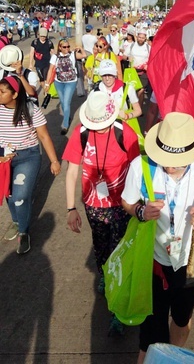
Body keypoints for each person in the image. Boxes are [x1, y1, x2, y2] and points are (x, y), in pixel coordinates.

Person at [121, 112, 194, 362]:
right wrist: (141, 211)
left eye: (179, 161)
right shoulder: (140, 166)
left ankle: (170, 358)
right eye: (165, 159)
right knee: (150, 332)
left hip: (193, 261)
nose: (170, 165)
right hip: (154, 260)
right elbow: (127, 202)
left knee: (182, 319)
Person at [63, 91, 140, 296]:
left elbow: (137, 170)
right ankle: (105, 275)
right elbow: (71, 172)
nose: (101, 129)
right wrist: (71, 208)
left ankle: (119, 290)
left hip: (122, 204)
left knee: (119, 247)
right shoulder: (81, 134)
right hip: (93, 204)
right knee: (100, 244)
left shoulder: (124, 133)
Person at [0, 76, 61, 254]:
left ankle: (23, 231)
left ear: (15, 94)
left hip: (27, 156)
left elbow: (43, 136)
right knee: (8, 193)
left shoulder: (30, 109)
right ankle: (17, 220)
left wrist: (54, 161)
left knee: (21, 196)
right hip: (4, 159)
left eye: (2, 92)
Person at [44, 39, 87, 135]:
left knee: (66, 103)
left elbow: (84, 55)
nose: (67, 48)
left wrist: (80, 48)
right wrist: (47, 84)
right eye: (64, 47)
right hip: (58, 82)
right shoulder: (55, 57)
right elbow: (51, 70)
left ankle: (65, 125)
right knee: (63, 102)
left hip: (71, 82)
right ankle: (67, 117)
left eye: (68, 46)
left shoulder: (72, 54)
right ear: (60, 47)